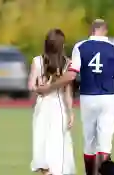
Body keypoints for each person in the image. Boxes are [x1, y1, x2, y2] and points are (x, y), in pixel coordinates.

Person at [36, 19, 114, 175]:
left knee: (89, 143)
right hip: (108, 97)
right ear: (105, 31)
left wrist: (50, 87)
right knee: (105, 144)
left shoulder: (80, 47)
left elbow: (72, 75)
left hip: (88, 97)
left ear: (91, 30)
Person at [29, 29, 76, 175]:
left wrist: (39, 88)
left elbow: (31, 86)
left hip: (43, 105)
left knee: (42, 144)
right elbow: (68, 92)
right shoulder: (68, 64)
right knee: (58, 146)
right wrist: (71, 112)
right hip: (59, 106)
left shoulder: (37, 61)